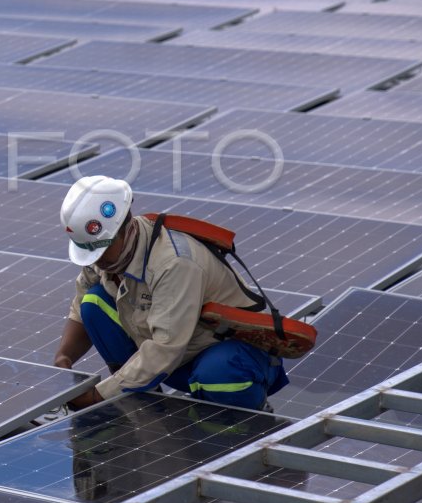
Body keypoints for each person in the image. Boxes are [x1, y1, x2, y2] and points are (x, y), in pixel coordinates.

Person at [53, 175, 288, 412]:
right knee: (94, 302)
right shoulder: (102, 250)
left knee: (219, 373)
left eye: (101, 251)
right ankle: (137, 403)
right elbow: (82, 301)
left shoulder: (173, 263)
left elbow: (164, 349)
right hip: (175, 358)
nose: (98, 260)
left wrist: (97, 396)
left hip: (228, 356)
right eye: (90, 253)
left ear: (125, 227)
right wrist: (64, 358)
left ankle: (244, 420)